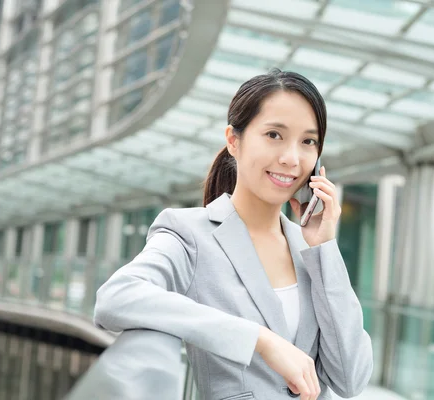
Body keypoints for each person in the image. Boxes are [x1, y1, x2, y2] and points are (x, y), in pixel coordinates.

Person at [94, 69, 373, 399]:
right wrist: (258, 339)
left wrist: (325, 247)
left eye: (308, 142)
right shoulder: (191, 233)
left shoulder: (310, 251)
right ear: (233, 140)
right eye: (274, 135)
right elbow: (116, 298)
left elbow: (351, 379)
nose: (291, 158)